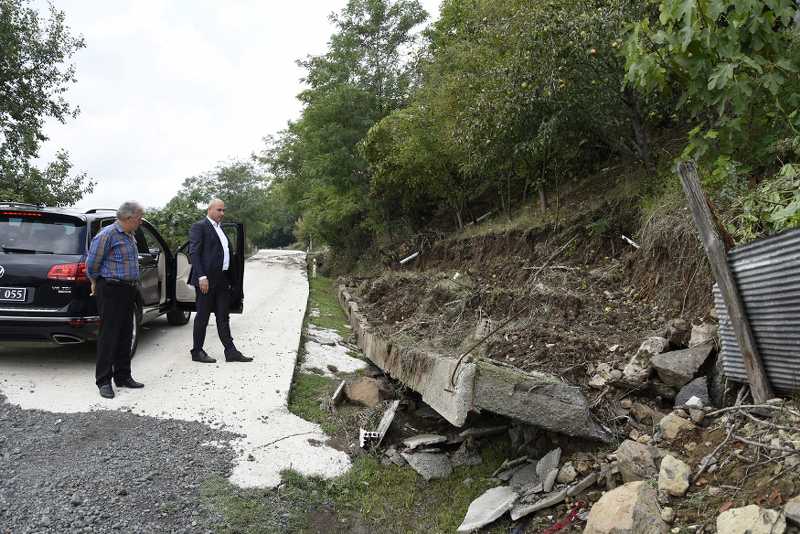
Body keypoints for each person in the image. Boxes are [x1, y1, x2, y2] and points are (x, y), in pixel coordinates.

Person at [86, 201, 145, 399]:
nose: (141, 221)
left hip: (128, 290)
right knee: (109, 336)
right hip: (111, 289)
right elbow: (92, 264)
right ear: (128, 218)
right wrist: (96, 281)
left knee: (126, 334)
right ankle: (103, 381)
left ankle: (123, 376)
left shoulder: (130, 234)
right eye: (139, 218)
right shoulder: (107, 235)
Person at [188, 198, 252, 363]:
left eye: (223, 210)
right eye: (219, 210)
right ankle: (197, 351)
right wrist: (201, 276)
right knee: (202, 316)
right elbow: (194, 253)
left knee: (223, 316)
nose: (222, 213)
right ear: (209, 210)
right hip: (206, 281)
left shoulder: (220, 229)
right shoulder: (199, 227)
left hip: (222, 280)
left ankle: (230, 352)